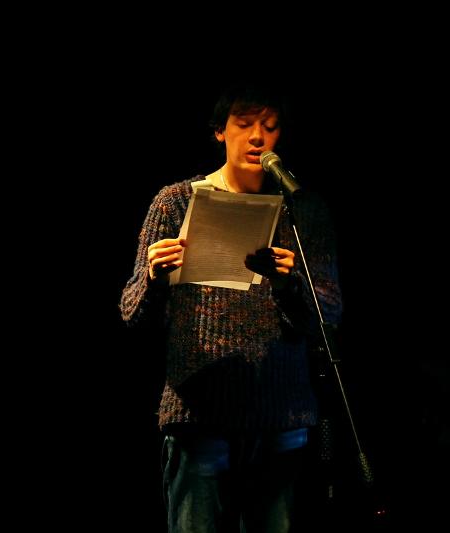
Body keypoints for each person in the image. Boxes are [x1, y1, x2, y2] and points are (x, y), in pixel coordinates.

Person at [119, 81, 343, 533]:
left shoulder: (303, 210)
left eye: (270, 126)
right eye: (244, 124)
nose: (258, 136)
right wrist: (155, 278)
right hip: (200, 416)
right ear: (220, 130)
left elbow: (328, 315)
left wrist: (288, 284)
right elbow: (132, 313)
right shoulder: (175, 201)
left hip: (280, 415)